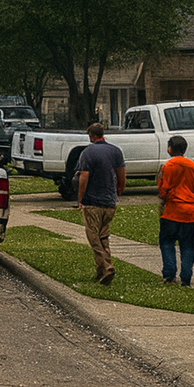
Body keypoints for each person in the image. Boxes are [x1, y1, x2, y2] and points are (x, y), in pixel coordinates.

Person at [76, 122, 125, 286]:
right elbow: (121, 175)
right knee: (104, 237)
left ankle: (106, 266)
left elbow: (84, 177)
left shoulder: (87, 152)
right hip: (109, 202)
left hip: (92, 202)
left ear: (91, 136)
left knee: (93, 237)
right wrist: (118, 191)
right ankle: (101, 271)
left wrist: (80, 198)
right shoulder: (115, 151)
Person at [156, 134, 194, 286]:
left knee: (167, 242)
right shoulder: (193, 166)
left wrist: (163, 202)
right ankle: (186, 276)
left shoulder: (167, 166)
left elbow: (163, 190)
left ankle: (170, 275)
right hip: (191, 213)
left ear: (170, 148)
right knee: (187, 245)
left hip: (172, 211)